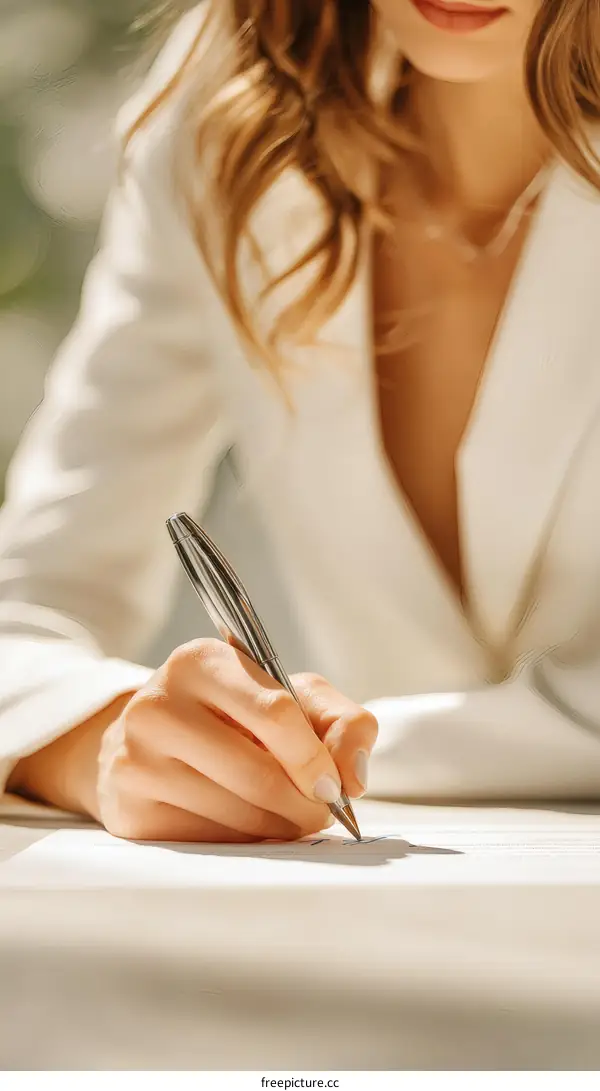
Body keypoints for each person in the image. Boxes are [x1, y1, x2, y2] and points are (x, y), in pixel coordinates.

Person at [1, 0, 600, 842]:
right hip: (363, 925)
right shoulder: (234, 110)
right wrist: (103, 739)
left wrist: (318, 749)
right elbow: (28, 606)